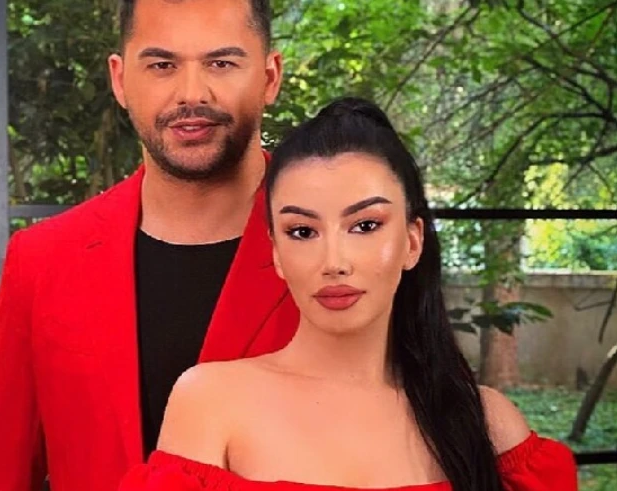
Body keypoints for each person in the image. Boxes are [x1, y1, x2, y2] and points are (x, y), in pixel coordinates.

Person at [117, 97, 579, 491]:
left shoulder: (488, 424)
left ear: (412, 241)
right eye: (302, 231)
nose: (334, 261)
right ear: (276, 253)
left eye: (365, 225)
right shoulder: (212, 403)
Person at [0, 1, 300, 490]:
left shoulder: (339, 252)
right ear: (119, 80)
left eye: (221, 63)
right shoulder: (43, 260)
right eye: (162, 65)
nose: (191, 93)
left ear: (269, 77)